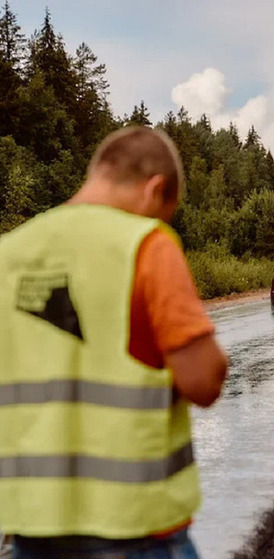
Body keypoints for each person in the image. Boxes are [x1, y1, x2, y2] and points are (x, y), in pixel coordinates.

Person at [0, 126, 228, 558]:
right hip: (136, 530)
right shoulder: (145, 245)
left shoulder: (7, 253)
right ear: (155, 188)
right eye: (165, 212)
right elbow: (203, 380)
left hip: (29, 530)